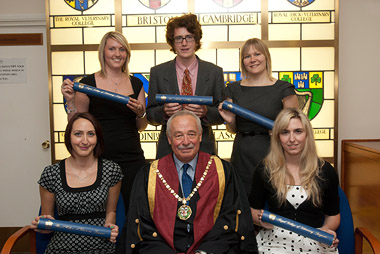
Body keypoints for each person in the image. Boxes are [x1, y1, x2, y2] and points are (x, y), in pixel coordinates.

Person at [123, 110, 258, 254]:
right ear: (169, 139)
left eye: (191, 134)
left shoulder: (223, 171)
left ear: (200, 136)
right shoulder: (149, 175)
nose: (185, 142)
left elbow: (230, 220)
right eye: (178, 135)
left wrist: (204, 252)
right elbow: (143, 226)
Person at [61, 31, 147, 212]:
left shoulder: (136, 84)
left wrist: (140, 113)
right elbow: (76, 125)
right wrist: (70, 101)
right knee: (104, 213)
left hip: (132, 159)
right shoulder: (86, 84)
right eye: (112, 49)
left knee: (135, 210)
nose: (117, 54)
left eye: (122, 49)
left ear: (127, 54)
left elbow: (141, 126)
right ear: (103, 52)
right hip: (99, 159)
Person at [249, 108, 340, 253]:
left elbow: (333, 215)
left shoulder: (325, 170)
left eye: (298, 131)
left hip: (315, 240)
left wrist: (326, 231)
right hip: (275, 241)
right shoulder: (265, 169)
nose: (292, 139)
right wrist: (260, 220)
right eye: (285, 132)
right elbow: (253, 210)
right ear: (278, 137)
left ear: (307, 134)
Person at [30, 112, 122, 253]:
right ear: (69, 137)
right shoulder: (51, 174)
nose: (84, 141)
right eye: (78, 134)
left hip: (100, 247)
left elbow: (111, 212)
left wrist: (110, 227)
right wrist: (42, 225)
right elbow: (47, 224)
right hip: (61, 247)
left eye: (91, 134)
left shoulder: (111, 170)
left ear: (97, 138)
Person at [218, 38, 298, 195]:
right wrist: (231, 122)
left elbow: (296, 128)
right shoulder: (233, 89)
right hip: (243, 154)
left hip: (274, 152)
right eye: (247, 56)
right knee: (244, 200)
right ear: (243, 62)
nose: (252, 59)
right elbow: (233, 129)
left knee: (275, 198)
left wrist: (278, 130)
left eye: (257, 54)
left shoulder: (284, 89)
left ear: (266, 57)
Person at [147, 13, 225, 159]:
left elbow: (222, 116)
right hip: (167, 150)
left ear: (196, 40)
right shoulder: (157, 72)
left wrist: (205, 112)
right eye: (179, 38)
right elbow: (150, 116)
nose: (184, 43)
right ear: (172, 42)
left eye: (189, 37)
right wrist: (164, 111)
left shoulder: (214, 72)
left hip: (204, 148)